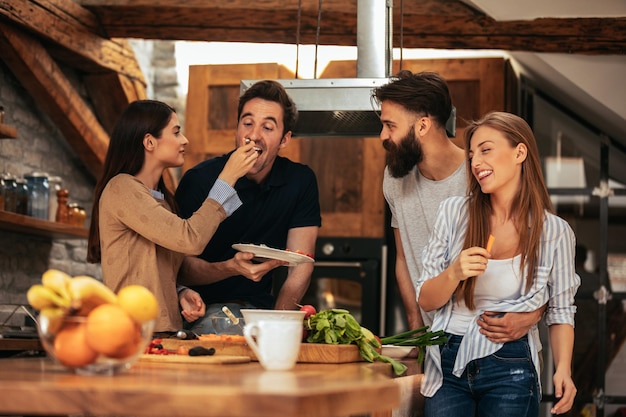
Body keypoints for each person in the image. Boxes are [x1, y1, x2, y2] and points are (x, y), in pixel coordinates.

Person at [418, 111, 579, 416]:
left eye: (486, 149)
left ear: (520, 152)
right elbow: (426, 300)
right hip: (448, 362)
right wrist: (455, 271)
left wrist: (564, 369)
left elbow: (561, 311)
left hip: (511, 366)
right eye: (472, 154)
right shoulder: (454, 214)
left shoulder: (554, 232)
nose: (476, 161)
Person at [372, 70, 544, 341]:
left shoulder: (485, 177)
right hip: (437, 345)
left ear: (422, 126)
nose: (383, 135)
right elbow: (404, 259)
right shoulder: (394, 179)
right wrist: (417, 332)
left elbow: (541, 259)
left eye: (390, 125)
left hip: (498, 345)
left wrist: (531, 315)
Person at [87, 99, 259, 333]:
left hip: (163, 333)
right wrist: (227, 176)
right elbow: (190, 239)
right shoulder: (122, 188)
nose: (184, 140)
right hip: (130, 334)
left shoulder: (162, 200)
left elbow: (172, 265)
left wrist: (181, 290)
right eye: (176, 132)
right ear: (149, 142)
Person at [175, 80, 321, 334]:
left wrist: (280, 324)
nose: (254, 135)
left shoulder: (300, 181)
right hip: (199, 311)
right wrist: (229, 267)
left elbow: (302, 263)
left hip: (261, 311)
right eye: (248, 123)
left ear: (285, 138)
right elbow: (180, 267)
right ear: (237, 127)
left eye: (267, 127)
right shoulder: (199, 180)